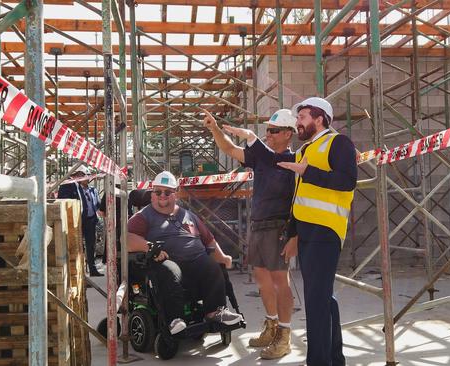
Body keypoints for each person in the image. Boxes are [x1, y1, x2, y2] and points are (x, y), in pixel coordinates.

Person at [203, 108, 297, 359]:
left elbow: (298, 199)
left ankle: (285, 336)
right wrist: (214, 128)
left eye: (274, 131)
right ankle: (272, 325)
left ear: (289, 134)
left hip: (278, 227)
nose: (269, 135)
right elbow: (230, 149)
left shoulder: (294, 161)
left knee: (280, 282)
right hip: (258, 225)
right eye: (267, 131)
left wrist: (294, 235)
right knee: (262, 280)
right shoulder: (262, 158)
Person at [277, 97, 357, 366]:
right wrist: (293, 235)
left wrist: (307, 171)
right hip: (308, 232)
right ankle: (334, 359)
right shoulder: (305, 151)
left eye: (302, 117)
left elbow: (347, 181)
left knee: (315, 300)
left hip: (327, 230)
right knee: (322, 297)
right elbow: (300, 198)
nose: (297, 123)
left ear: (319, 118)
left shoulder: (338, 143)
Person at [127, 171, 244, 335]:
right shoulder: (142, 216)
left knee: (212, 266)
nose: (162, 196)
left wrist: (223, 257)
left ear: (175, 194)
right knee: (170, 271)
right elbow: (127, 238)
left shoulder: (188, 215)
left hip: (195, 261)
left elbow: (209, 240)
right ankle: (175, 319)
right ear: (152, 194)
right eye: (158, 192)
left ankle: (215, 312)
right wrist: (149, 246)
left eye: (167, 192)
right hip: (167, 261)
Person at [58, 165, 102, 277]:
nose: (86, 178)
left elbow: (97, 205)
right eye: (82, 176)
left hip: (90, 221)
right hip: (76, 221)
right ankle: (79, 272)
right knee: (77, 246)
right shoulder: (69, 188)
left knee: (91, 245)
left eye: (86, 176)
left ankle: (92, 269)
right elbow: (62, 201)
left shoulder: (93, 190)